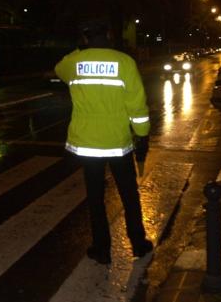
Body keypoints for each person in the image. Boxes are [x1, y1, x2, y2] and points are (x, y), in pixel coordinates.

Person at [54, 17, 153, 265]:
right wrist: (142, 135)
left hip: (87, 144)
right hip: (118, 142)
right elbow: (137, 106)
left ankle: (102, 249)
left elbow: (59, 68)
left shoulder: (74, 62)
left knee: (96, 198)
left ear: (85, 37)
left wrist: (81, 48)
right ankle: (139, 244)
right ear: (108, 35)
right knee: (129, 195)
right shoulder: (125, 62)